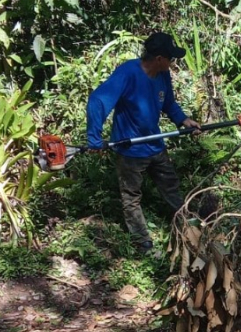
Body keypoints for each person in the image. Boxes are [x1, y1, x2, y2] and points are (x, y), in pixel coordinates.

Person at [86, 32, 201, 253]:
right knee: (131, 197)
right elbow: (98, 100)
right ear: (159, 58)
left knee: (171, 185)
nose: (173, 63)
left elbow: (168, 102)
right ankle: (143, 242)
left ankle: (186, 223)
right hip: (130, 149)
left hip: (154, 144)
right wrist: (94, 138)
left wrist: (183, 120)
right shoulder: (128, 73)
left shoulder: (163, 75)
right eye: (171, 58)